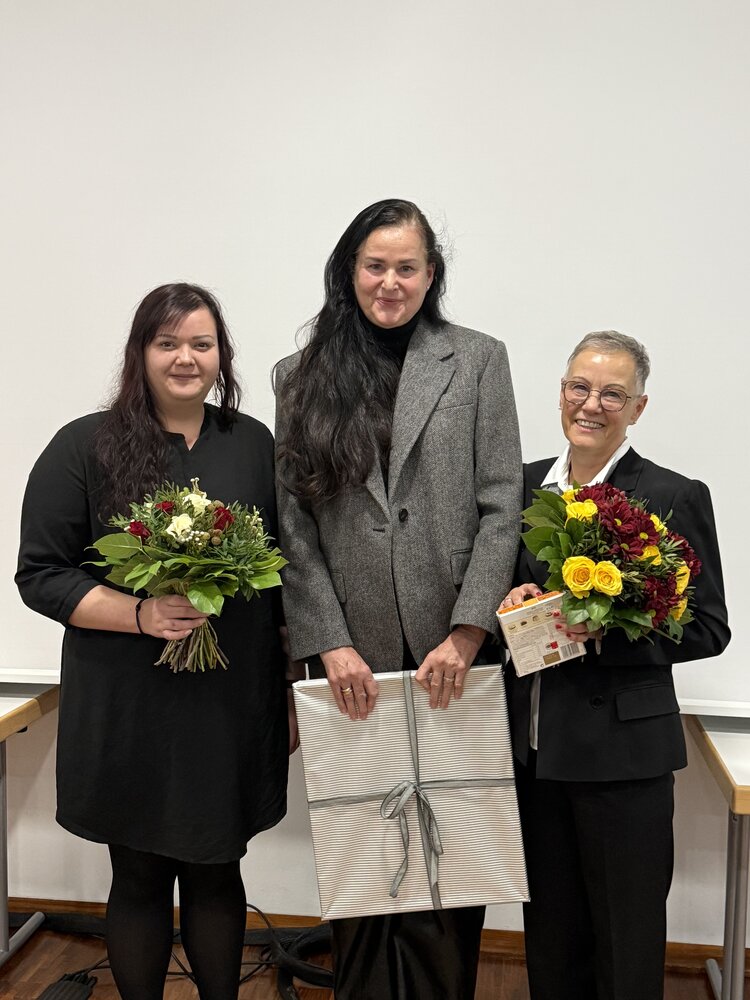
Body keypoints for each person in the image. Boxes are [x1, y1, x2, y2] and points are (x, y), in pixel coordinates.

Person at [16, 283, 296, 1000]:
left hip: (229, 701)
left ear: (221, 355)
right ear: (140, 352)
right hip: (128, 704)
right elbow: (41, 575)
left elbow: (286, 578)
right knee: (137, 874)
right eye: (167, 343)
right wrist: (140, 615)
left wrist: (291, 690)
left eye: (201, 344)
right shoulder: (85, 444)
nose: (185, 358)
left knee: (218, 867)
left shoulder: (254, 442)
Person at [274, 198, 523, 1000]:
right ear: (350, 272)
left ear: (431, 273)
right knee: (364, 852)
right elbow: (295, 526)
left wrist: (470, 629)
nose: (390, 281)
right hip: (349, 653)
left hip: (451, 650)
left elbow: (500, 503)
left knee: (454, 855)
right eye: (374, 265)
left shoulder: (479, 359)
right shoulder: (299, 375)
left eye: (406, 266)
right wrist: (327, 640)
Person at [501, 330, 731, 1000]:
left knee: (625, 944)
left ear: (639, 407)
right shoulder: (519, 485)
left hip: (622, 759)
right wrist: (508, 604)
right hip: (534, 757)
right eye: (580, 387)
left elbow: (709, 627)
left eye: (613, 394)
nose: (591, 404)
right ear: (561, 392)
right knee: (548, 938)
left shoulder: (671, 495)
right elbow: (498, 603)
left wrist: (605, 629)